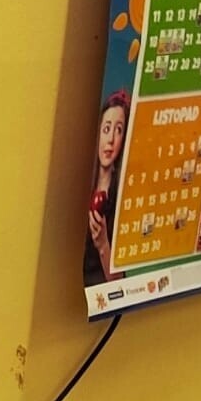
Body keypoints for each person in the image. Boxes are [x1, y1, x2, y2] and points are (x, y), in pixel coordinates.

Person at [85, 91, 130, 284]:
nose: (111, 139)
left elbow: (119, 285)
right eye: (106, 129)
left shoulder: (123, 198)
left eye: (118, 130)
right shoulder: (79, 184)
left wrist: (103, 244)